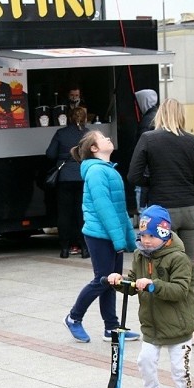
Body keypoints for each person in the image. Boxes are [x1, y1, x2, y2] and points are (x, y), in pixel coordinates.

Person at [105, 205, 194, 388]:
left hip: (178, 326)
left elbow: (179, 289)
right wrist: (120, 282)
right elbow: (135, 283)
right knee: (144, 362)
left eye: (151, 236)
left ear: (164, 235)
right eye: (143, 236)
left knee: (180, 371)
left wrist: (154, 285)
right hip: (152, 325)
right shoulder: (140, 255)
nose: (146, 241)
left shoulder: (178, 258)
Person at [128, 98, 194, 343]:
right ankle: (192, 326)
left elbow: (133, 175)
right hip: (190, 210)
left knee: (162, 267)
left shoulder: (149, 139)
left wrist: (156, 182)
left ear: (159, 115)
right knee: (189, 269)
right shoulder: (193, 141)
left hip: (162, 215)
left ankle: (169, 324)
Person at [63, 131, 140, 344]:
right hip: (100, 235)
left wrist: (127, 237)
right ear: (94, 149)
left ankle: (111, 328)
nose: (108, 139)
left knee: (111, 282)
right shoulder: (97, 171)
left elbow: (119, 209)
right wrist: (119, 239)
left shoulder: (106, 169)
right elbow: (104, 208)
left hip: (108, 233)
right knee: (102, 280)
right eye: (102, 138)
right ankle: (73, 317)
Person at [46, 106, 89, 258]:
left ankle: (65, 249)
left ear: (69, 117)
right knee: (81, 213)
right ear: (84, 118)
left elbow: (50, 154)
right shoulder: (89, 134)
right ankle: (84, 248)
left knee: (64, 214)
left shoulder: (61, 133)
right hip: (84, 177)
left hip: (64, 178)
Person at [133, 89, 158, 213]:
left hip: (146, 171)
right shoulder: (157, 116)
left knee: (144, 209)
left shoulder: (147, 121)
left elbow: (143, 149)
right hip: (155, 169)